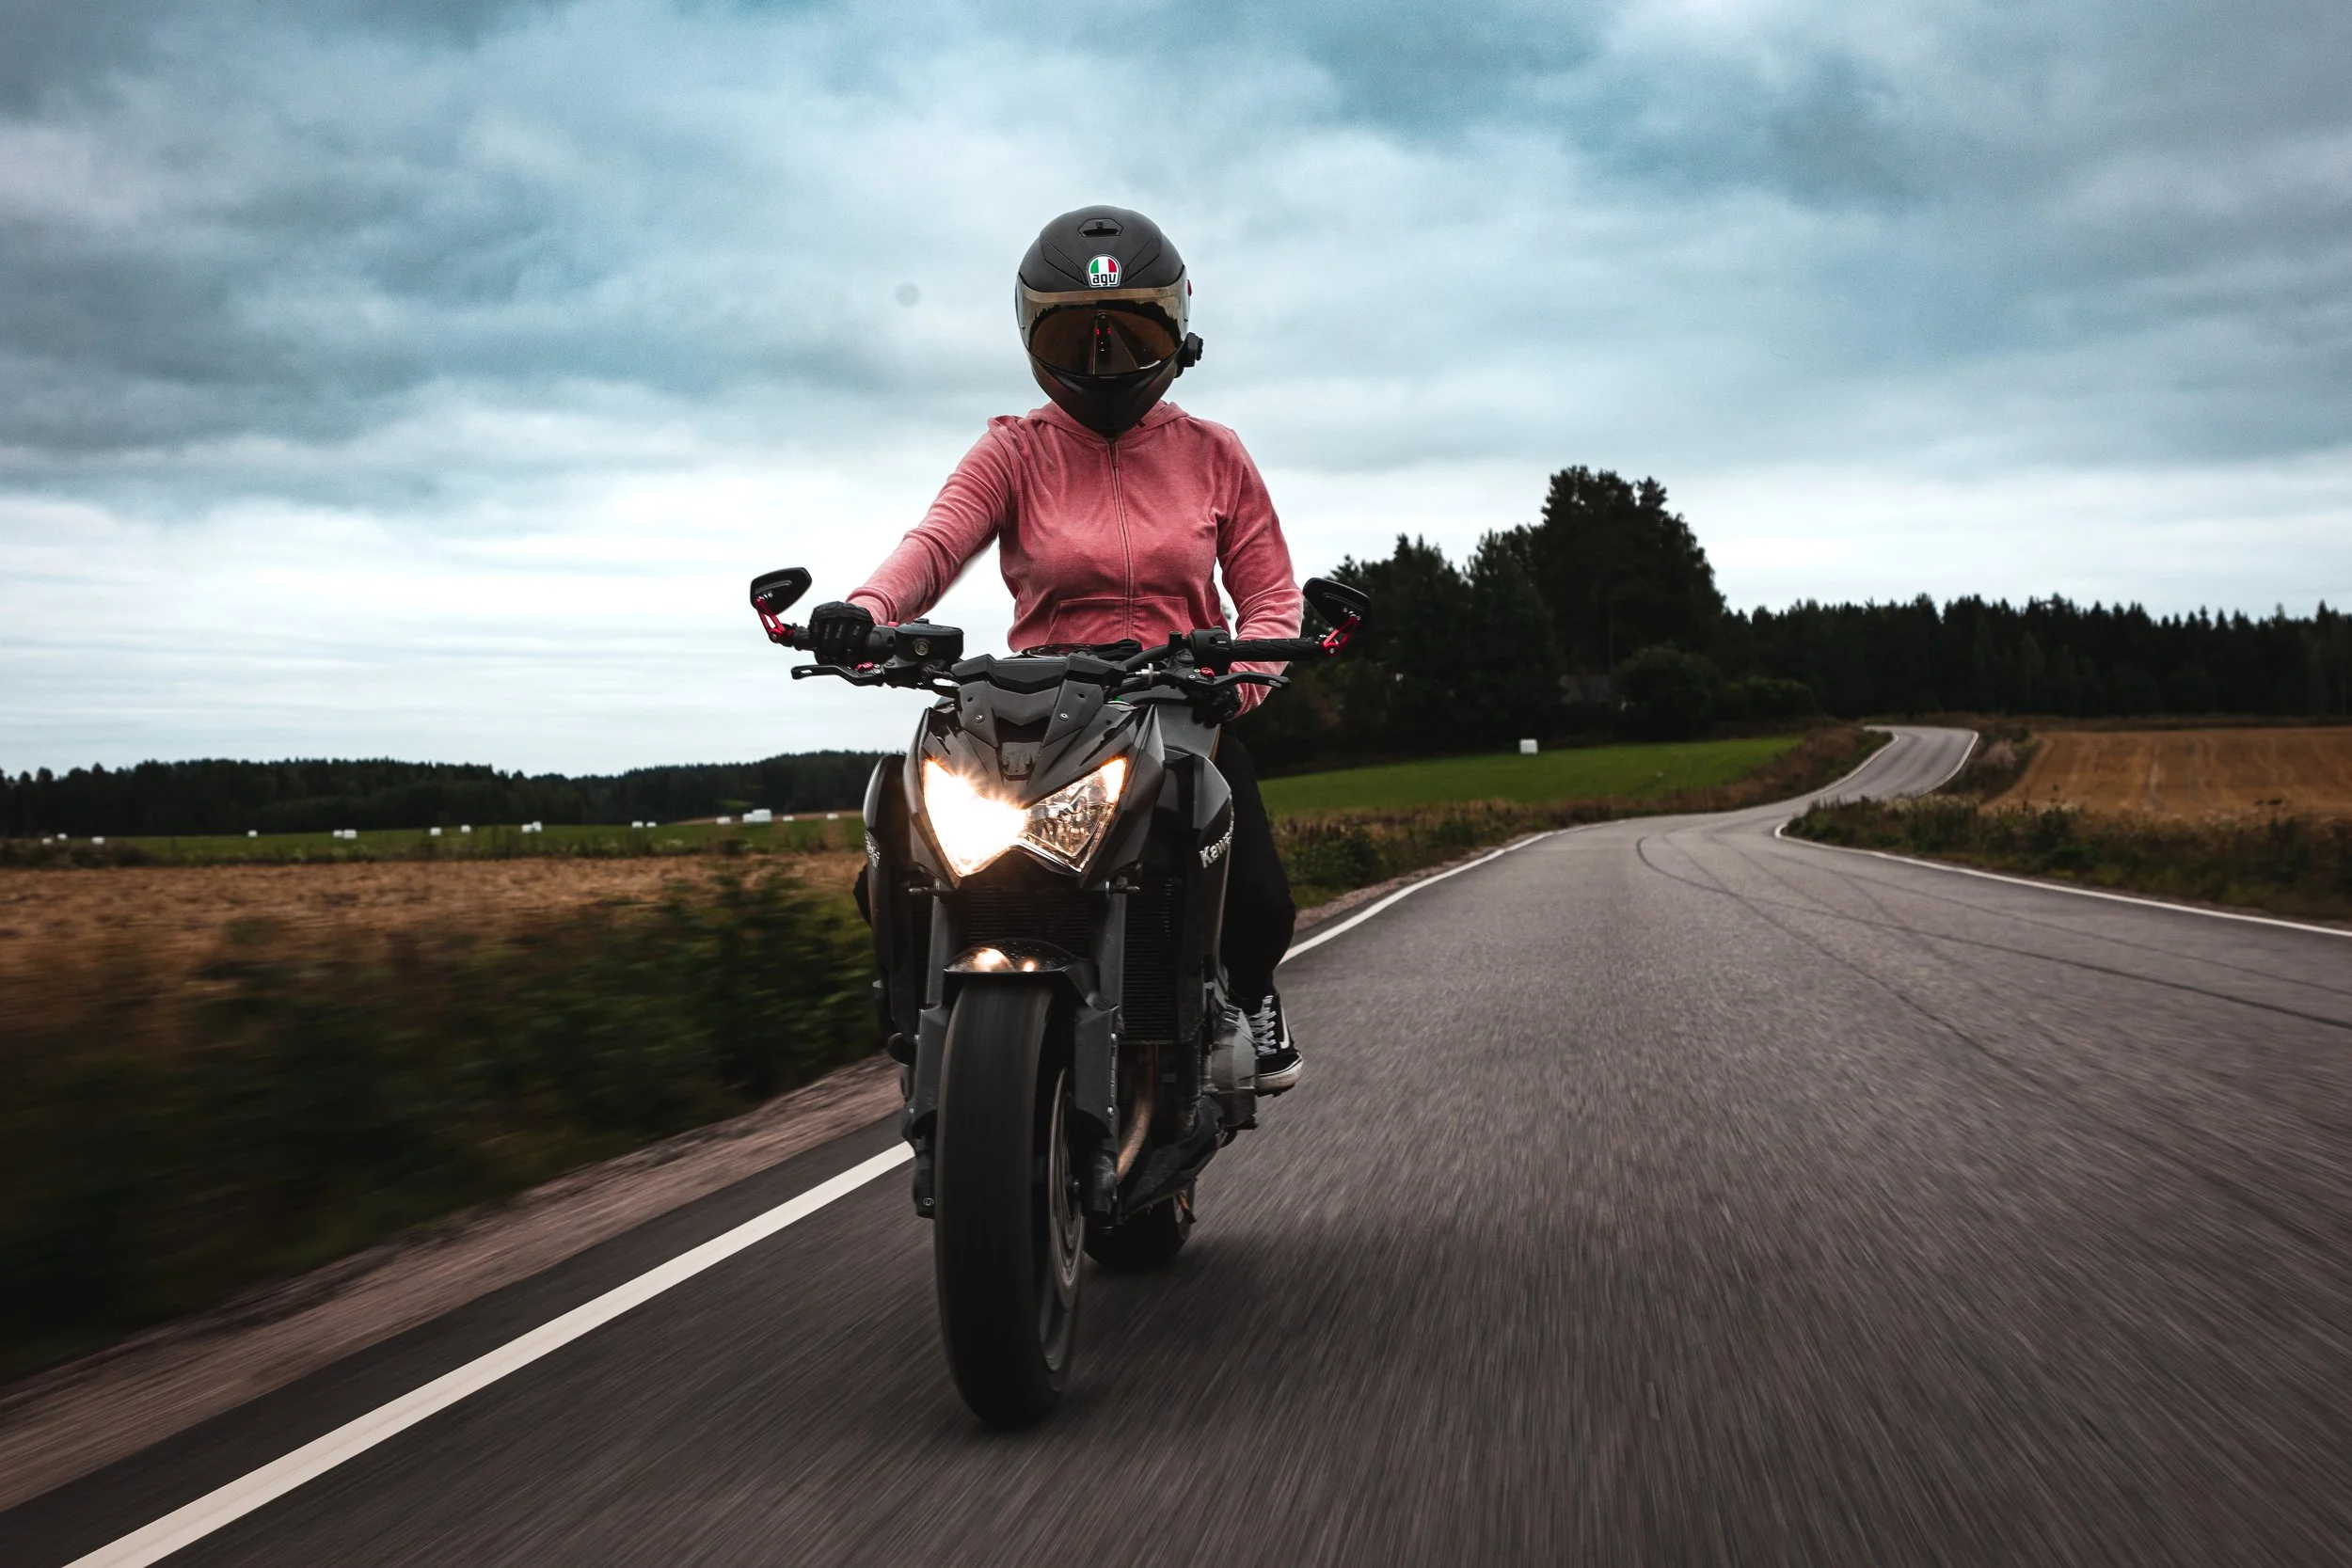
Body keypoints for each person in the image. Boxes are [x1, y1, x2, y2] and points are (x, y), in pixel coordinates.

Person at [808, 204, 1304, 1091]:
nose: (1102, 358)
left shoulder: (1216, 453)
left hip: (1182, 704)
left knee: (1259, 894)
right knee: (905, 841)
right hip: (1041, 707)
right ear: (1034, 334)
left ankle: (1251, 994)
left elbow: (1269, 592)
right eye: (1078, 336)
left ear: (1177, 330)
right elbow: (934, 544)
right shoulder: (1012, 449)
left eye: (1127, 332)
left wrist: (1248, 677)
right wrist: (864, 608)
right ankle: (921, 1017)